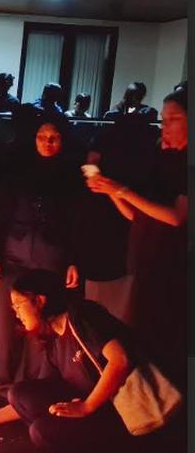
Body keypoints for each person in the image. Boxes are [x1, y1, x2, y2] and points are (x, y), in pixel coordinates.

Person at [0, 270, 170, 453]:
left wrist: (86, 407)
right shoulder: (53, 339)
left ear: (39, 300)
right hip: (101, 413)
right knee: (21, 394)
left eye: (18, 305)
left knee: (42, 432)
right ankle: (73, 446)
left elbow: (121, 360)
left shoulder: (83, 316)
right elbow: (29, 400)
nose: (15, 313)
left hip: (130, 419)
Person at [86, 86, 187, 385]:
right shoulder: (163, 162)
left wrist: (121, 190)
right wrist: (110, 191)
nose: (164, 126)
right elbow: (139, 217)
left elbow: (176, 217)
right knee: (137, 338)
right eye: (164, 119)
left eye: (173, 119)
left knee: (163, 343)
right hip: (145, 263)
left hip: (173, 269)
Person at [0, 114, 82, 391]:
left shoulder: (71, 176)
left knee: (40, 317)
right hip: (14, 252)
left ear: (63, 141)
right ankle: (0, 373)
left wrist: (74, 260)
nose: (47, 143)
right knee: (3, 311)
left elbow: (77, 222)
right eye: (41, 137)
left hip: (51, 256)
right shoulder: (18, 171)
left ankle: (33, 382)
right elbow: (0, 214)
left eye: (54, 138)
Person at [79, 110, 156, 321]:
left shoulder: (109, 148)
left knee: (104, 309)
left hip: (114, 241)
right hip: (114, 239)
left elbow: (134, 215)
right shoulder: (145, 158)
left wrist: (110, 188)